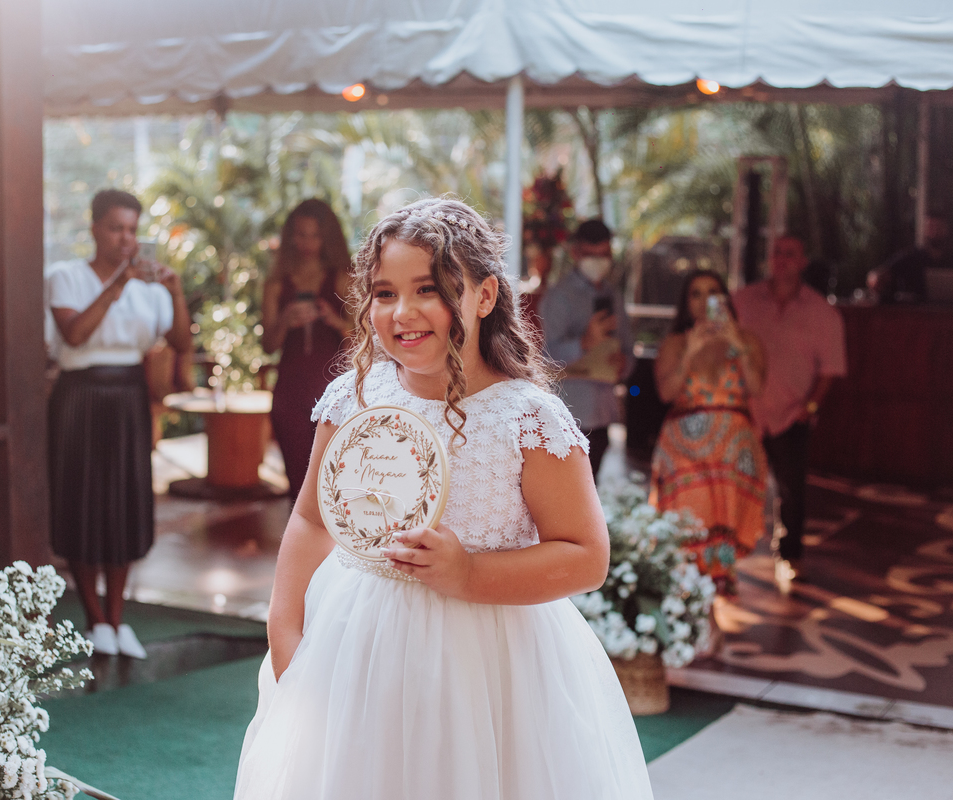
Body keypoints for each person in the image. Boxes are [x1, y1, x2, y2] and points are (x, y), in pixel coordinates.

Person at [234, 198, 653, 800]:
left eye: (428, 290)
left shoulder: (524, 418)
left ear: (484, 297)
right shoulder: (356, 396)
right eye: (383, 293)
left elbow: (586, 556)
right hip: (357, 646)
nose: (403, 312)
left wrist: (468, 572)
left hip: (487, 667)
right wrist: (284, 628)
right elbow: (309, 519)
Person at [46, 189, 192, 659]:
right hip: (80, 395)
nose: (125, 238)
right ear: (94, 229)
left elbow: (181, 340)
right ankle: (94, 619)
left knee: (126, 501)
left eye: (132, 229)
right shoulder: (65, 277)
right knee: (82, 499)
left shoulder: (150, 287)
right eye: (115, 228)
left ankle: (117, 616)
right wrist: (117, 284)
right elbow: (75, 333)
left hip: (129, 394)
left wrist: (174, 290)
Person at [734, 236, 846, 589]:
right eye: (777, 253)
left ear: (802, 261)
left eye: (790, 254)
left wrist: (808, 408)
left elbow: (830, 369)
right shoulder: (743, 301)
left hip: (790, 415)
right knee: (734, 486)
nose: (782, 260)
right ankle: (725, 558)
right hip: (744, 414)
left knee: (791, 490)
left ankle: (790, 555)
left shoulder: (821, 312)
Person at [651, 270, 767, 593]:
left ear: (725, 299)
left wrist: (735, 343)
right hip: (684, 451)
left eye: (712, 292)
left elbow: (756, 387)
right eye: (695, 294)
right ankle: (696, 589)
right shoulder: (676, 343)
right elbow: (666, 394)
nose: (704, 302)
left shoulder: (747, 340)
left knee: (726, 521)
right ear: (686, 303)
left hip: (734, 450)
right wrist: (689, 351)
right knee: (690, 527)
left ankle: (718, 583)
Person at [260, 199, 353, 502]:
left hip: (334, 392)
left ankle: (331, 551)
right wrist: (286, 320)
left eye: (315, 235)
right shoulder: (276, 283)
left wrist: (334, 321)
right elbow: (268, 345)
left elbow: (364, 339)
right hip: (290, 392)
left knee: (335, 488)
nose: (307, 243)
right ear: (290, 237)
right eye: (300, 234)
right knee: (298, 488)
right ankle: (297, 550)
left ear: (328, 237)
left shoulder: (343, 277)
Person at [540, 219, 635, 477]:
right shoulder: (559, 296)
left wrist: (624, 363)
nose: (598, 261)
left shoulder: (613, 296)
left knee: (592, 494)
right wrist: (583, 343)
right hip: (568, 415)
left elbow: (629, 351)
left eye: (603, 255)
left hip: (604, 415)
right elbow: (543, 358)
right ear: (576, 253)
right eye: (590, 255)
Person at [867, 214, 951, 303]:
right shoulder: (911, 257)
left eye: (939, 227)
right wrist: (876, 280)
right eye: (931, 228)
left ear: (946, 230)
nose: (935, 232)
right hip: (914, 313)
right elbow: (875, 276)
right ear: (925, 230)